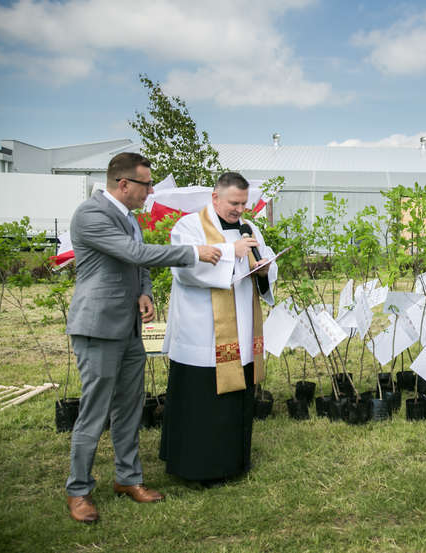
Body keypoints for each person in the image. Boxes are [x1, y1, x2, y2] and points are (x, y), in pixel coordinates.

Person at [65, 152, 222, 523]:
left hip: (130, 327)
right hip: (98, 327)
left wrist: (145, 292)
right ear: (123, 184)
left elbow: (136, 265)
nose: (150, 191)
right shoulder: (91, 215)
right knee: (95, 411)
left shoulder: (129, 218)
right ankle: (78, 490)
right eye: (146, 184)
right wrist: (192, 252)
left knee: (129, 408)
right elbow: (133, 251)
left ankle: (128, 479)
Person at [159, 171, 278, 486]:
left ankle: (233, 462)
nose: (239, 209)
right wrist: (231, 253)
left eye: (243, 203)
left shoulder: (250, 228)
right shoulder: (189, 226)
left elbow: (262, 261)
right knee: (201, 404)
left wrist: (263, 269)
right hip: (202, 332)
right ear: (215, 197)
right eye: (233, 203)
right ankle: (197, 468)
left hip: (240, 327)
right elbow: (184, 269)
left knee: (235, 401)